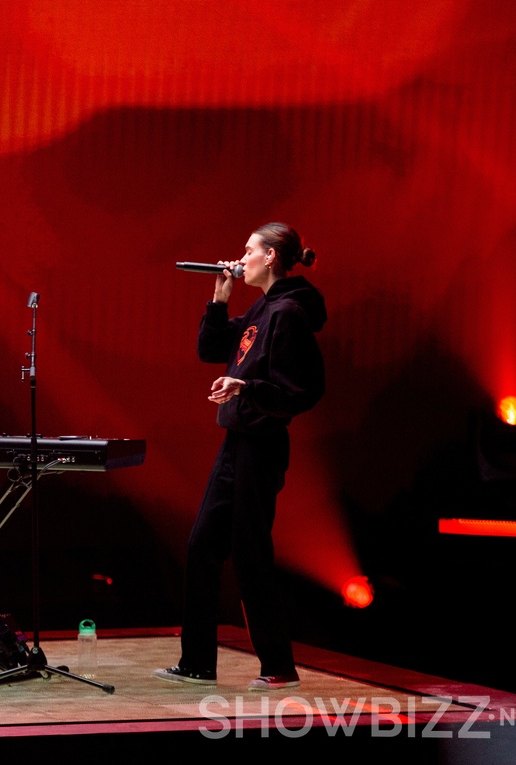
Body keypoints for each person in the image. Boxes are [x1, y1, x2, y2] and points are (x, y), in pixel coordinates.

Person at [154, 222, 326, 691]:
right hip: (238, 441)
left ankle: (278, 667)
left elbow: (303, 390)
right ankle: (196, 663)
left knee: (250, 553)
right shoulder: (263, 307)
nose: (241, 257)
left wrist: (245, 386)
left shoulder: (288, 313)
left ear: (271, 257)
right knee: (202, 546)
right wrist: (219, 296)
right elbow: (212, 348)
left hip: (261, 445)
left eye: (248, 250)